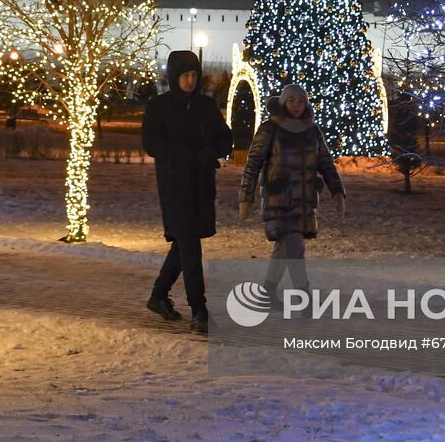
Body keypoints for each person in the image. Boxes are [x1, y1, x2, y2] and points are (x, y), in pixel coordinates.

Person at [141, 50, 232, 333]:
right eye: (185, 75)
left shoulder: (205, 105)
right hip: (175, 185)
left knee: (184, 244)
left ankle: (158, 296)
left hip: (202, 184)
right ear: (174, 77)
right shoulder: (161, 105)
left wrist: (210, 152)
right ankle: (199, 310)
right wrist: (185, 155)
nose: (191, 80)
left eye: (194, 75)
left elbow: (224, 137)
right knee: (190, 245)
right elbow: (152, 142)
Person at [239, 84, 346, 306]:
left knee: (284, 247)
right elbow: (253, 164)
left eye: (301, 100)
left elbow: (325, 162)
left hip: (305, 200)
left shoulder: (312, 130)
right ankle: (304, 297)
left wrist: (337, 190)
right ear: (283, 102)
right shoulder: (271, 129)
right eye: (291, 100)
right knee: (295, 246)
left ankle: (268, 293)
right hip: (279, 198)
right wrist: (245, 197)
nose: (297, 105)